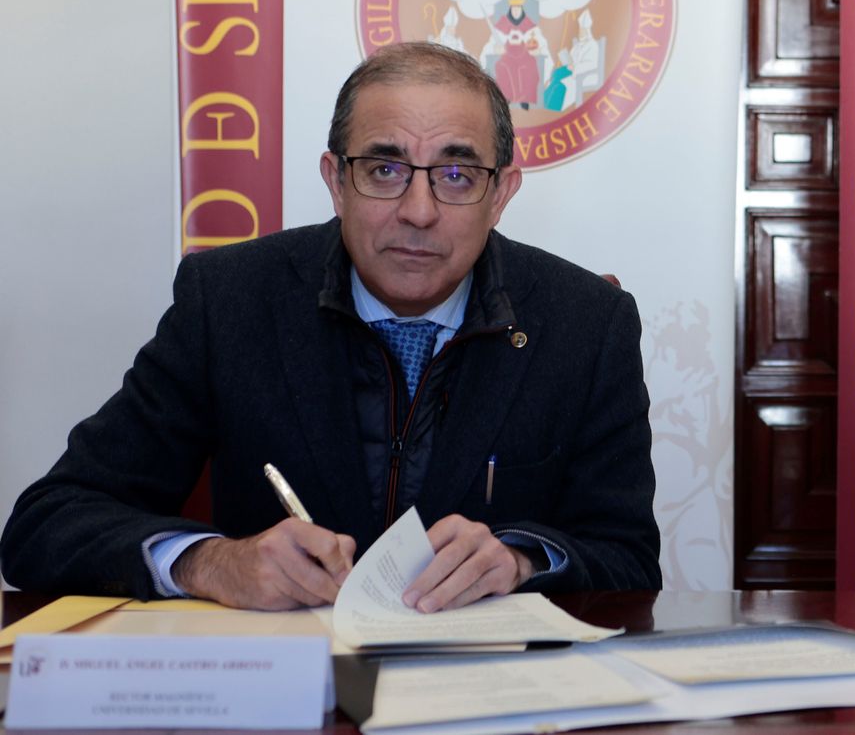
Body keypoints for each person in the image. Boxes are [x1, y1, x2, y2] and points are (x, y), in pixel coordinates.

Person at [1, 43, 660, 609]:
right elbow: (46, 527)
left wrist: (521, 561)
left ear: (502, 194)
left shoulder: (586, 324)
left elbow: (630, 561)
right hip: (287, 700)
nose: (419, 212)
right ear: (336, 182)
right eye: (384, 170)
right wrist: (210, 563)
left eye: (457, 175)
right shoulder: (229, 302)